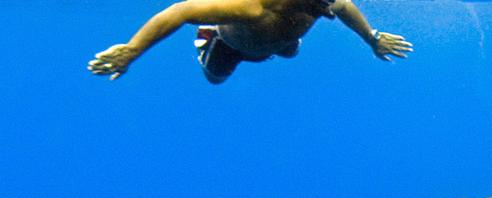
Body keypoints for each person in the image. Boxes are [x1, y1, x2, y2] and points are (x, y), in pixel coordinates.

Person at [88, 0, 412, 84]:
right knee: (215, 77)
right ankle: (208, 37)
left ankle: (281, 46)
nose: (327, 12)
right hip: (232, 45)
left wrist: (373, 38)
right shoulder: (252, 8)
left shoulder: (326, 4)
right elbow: (182, 10)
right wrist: (132, 49)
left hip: (275, 44)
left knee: (289, 51)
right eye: (320, 5)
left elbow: (345, 8)